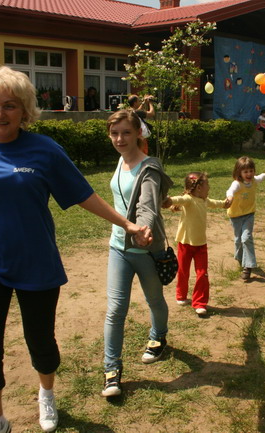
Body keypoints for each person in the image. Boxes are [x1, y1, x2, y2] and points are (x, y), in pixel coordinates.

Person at [0, 66, 151, 433]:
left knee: (40, 339)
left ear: (24, 110)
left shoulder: (44, 150)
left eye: (10, 106)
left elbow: (83, 194)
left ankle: (46, 393)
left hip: (36, 262)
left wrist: (128, 224)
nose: (0, 113)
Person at [102, 109, 173, 398]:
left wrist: (142, 229)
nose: (120, 138)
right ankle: (111, 370)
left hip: (144, 247)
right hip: (118, 247)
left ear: (138, 134)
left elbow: (147, 204)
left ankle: (158, 338)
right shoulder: (120, 162)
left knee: (154, 298)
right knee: (116, 309)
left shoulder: (149, 167)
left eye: (126, 132)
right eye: (115, 133)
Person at [162, 172, 229, 316]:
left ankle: (199, 303)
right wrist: (168, 200)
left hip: (201, 245)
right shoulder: (189, 199)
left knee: (202, 273)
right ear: (199, 187)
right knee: (183, 270)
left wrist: (224, 204)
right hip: (185, 243)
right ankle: (181, 295)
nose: (209, 187)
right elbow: (178, 199)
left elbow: (215, 203)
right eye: (207, 185)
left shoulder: (204, 200)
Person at [225, 156, 265, 280]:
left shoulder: (254, 180)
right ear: (239, 173)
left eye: (251, 170)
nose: (249, 174)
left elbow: (262, 177)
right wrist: (230, 197)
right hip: (235, 216)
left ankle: (248, 266)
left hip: (249, 214)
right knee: (238, 239)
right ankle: (240, 258)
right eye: (245, 172)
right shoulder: (237, 184)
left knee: (246, 238)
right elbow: (230, 191)